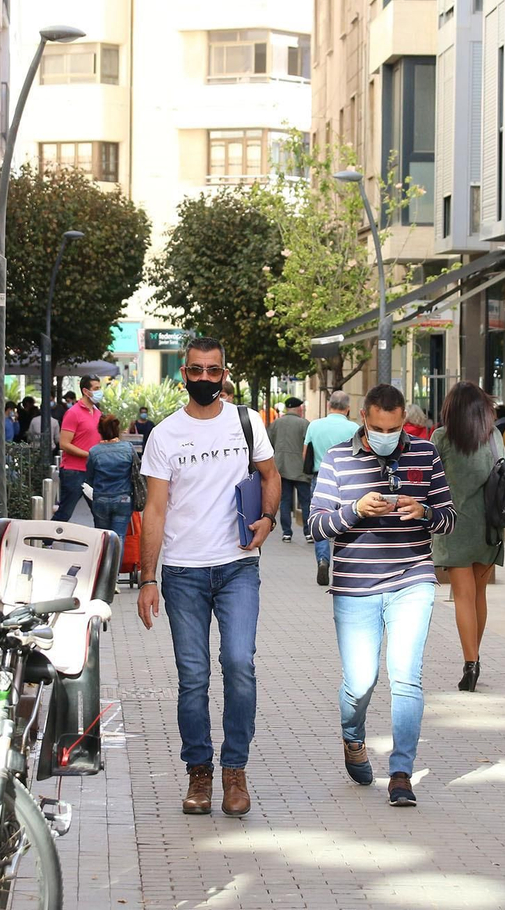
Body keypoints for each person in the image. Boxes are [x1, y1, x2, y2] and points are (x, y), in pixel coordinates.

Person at [138, 336, 279, 818]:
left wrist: (268, 519)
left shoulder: (247, 421)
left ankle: (234, 769)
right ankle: (199, 772)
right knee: (193, 678)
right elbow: (154, 508)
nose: (203, 378)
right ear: (184, 374)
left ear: (224, 372)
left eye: (212, 371)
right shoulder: (164, 435)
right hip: (182, 573)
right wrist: (147, 577)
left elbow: (270, 475)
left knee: (239, 663)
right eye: (195, 370)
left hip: (237, 564)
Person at [308, 383, 455, 807]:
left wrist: (424, 511)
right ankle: (352, 736)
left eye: (393, 428)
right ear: (363, 420)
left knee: (406, 676)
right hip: (354, 585)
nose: (386, 436)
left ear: (403, 418)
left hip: (413, 578)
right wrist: (356, 511)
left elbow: (448, 517)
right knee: (360, 681)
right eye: (377, 428)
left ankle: (401, 774)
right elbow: (315, 526)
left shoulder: (425, 454)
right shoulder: (338, 458)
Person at [432, 382, 505, 690]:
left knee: (462, 595)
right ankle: (476, 657)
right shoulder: (493, 437)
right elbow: (504, 472)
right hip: (488, 525)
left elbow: (427, 478)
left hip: (454, 525)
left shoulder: (442, 437)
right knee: (479, 594)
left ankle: (470, 664)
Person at [303, 391, 360, 587]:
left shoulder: (314, 425)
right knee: (347, 520)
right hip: (349, 480)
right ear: (348, 408)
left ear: (329, 406)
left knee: (321, 519)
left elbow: (306, 454)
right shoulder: (354, 428)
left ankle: (322, 559)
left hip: (321, 478)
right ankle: (345, 565)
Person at [53, 376, 104, 522]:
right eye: (96, 389)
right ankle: (46, 542)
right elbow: (64, 444)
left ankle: (103, 544)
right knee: (65, 513)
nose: (99, 392)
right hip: (73, 471)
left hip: (93, 471)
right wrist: (89, 454)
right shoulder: (73, 413)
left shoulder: (97, 413)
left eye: (100, 388)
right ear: (85, 391)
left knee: (99, 513)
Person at [85, 414, 136, 543]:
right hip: (123, 498)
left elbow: (89, 478)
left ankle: (102, 563)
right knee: (118, 539)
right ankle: (116, 564)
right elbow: (136, 472)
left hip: (101, 498)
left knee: (102, 539)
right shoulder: (128, 448)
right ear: (117, 429)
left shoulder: (94, 452)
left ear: (100, 431)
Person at [267, 397, 311, 543]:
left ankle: (286, 532)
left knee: (285, 501)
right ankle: (308, 532)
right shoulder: (304, 424)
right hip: (300, 469)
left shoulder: (276, 423)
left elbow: (269, 443)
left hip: (281, 468)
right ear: (299, 408)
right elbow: (309, 445)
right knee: (305, 501)